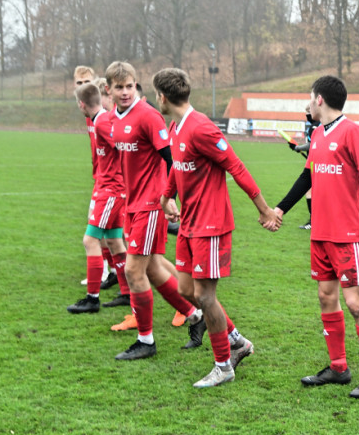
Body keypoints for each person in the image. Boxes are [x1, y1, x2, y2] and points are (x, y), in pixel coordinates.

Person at [154, 68, 278, 387]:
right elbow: (177, 167)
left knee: (205, 296)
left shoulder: (202, 128)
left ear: (163, 97)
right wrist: (168, 195)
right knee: (185, 290)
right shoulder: (175, 126)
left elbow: (235, 166)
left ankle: (223, 365)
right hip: (189, 224)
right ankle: (237, 341)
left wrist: (264, 209)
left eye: (156, 95)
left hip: (211, 224)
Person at [274, 75, 359, 399]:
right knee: (326, 296)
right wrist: (281, 209)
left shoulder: (352, 132)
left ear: (319, 99)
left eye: (310, 98)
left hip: (346, 234)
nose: (308, 104)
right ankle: (338, 367)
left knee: (354, 302)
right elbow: (306, 176)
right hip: (320, 234)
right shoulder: (319, 134)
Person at [106, 61, 207, 360]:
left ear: (136, 86)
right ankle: (195, 315)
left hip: (152, 203)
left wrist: (170, 197)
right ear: (109, 90)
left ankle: (146, 341)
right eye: (119, 87)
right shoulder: (113, 118)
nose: (125, 92)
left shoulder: (148, 116)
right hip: (132, 203)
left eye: (130, 86)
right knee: (151, 268)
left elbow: (171, 159)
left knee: (133, 269)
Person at [66, 80, 131, 314]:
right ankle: (127, 292)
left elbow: (124, 146)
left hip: (112, 190)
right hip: (109, 188)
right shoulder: (98, 119)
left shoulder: (102, 121)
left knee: (90, 240)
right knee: (113, 241)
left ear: (81, 104)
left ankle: (92, 299)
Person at [73, 65, 113, 288]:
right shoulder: (89, 115)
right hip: (100, 178)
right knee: (111, 233)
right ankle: (113, 272)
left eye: (86, 83)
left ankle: (103, 276)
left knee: (96, 231)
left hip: (110, 182)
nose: (82, 87)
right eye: (78, 83)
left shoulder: (103, 116)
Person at [288, 104, 320, 230]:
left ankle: (314, 220)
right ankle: (317, 219)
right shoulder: (319, 124)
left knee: (310, 190)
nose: (307, 114)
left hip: (314, 164)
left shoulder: (314, 126)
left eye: (308, 111)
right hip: (315, 162)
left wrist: (297, 148)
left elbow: (311, 144)